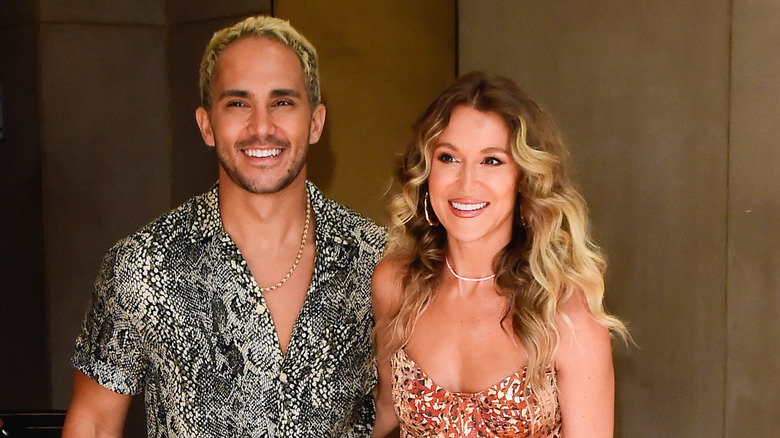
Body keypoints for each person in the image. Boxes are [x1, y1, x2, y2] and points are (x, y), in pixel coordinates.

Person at [62, 15, 385, 437]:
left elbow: (400, 407)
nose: (262, 127)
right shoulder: (142, 267)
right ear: (206, 125)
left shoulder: (376, 261)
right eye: (238, 103)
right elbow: (95, 423)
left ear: (317, 122)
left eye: (283, 102)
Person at [371, 72, 628, 437]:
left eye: (491, 161)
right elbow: (384, 411)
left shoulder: (566, 313)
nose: (466, 183)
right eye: (449, 158)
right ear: (426, 172)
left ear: (523, 178)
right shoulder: (396, 284)